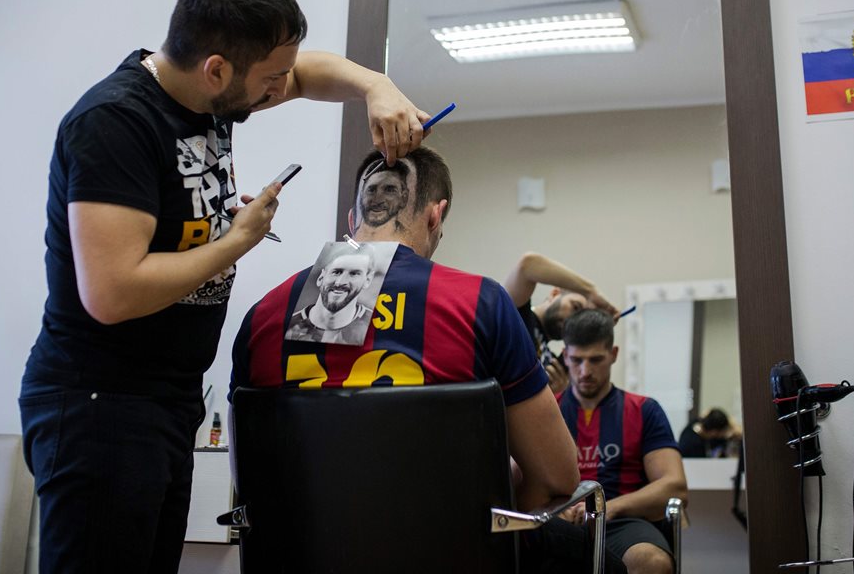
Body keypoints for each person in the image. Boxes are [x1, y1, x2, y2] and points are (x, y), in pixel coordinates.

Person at [19, 0, 432, 574]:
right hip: (98, 403)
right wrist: (235, 240)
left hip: (166, 398)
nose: (281, 89)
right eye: (272, 78)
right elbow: (112, 291)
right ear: (217, 69)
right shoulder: (115, 123)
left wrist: (378, 86)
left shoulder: (209, 96)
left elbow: (310, 71)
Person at [230, 148, 620, 573]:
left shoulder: (263, 317)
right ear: (436, 216)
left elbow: (250, 483)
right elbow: (556, 480)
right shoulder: (480, 304)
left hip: (300, 557)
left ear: (351, 220)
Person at [556, 310, 688, 574]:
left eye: (596, 360)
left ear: (613, 354)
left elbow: (675, 487)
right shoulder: (548, 411)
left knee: (652, 562)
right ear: (565, 357)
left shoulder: (644, 410)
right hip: (559, 520)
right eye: (576, 360)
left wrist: (610, 508)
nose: (585, 371)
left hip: (622, 521)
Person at [504, 252, 619, 394]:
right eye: (575, 307)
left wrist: (557, 394)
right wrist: (591, 291)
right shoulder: (518, 316)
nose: (574, 320)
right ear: (554, 294)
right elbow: (527, 265)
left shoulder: (556, 364)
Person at [284, 241, 377, 344]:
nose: (340, 282)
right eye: (336, 272)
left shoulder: (377, 327)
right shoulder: (288, 325)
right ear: (321, 277)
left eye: (354, 274)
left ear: (367, 280)